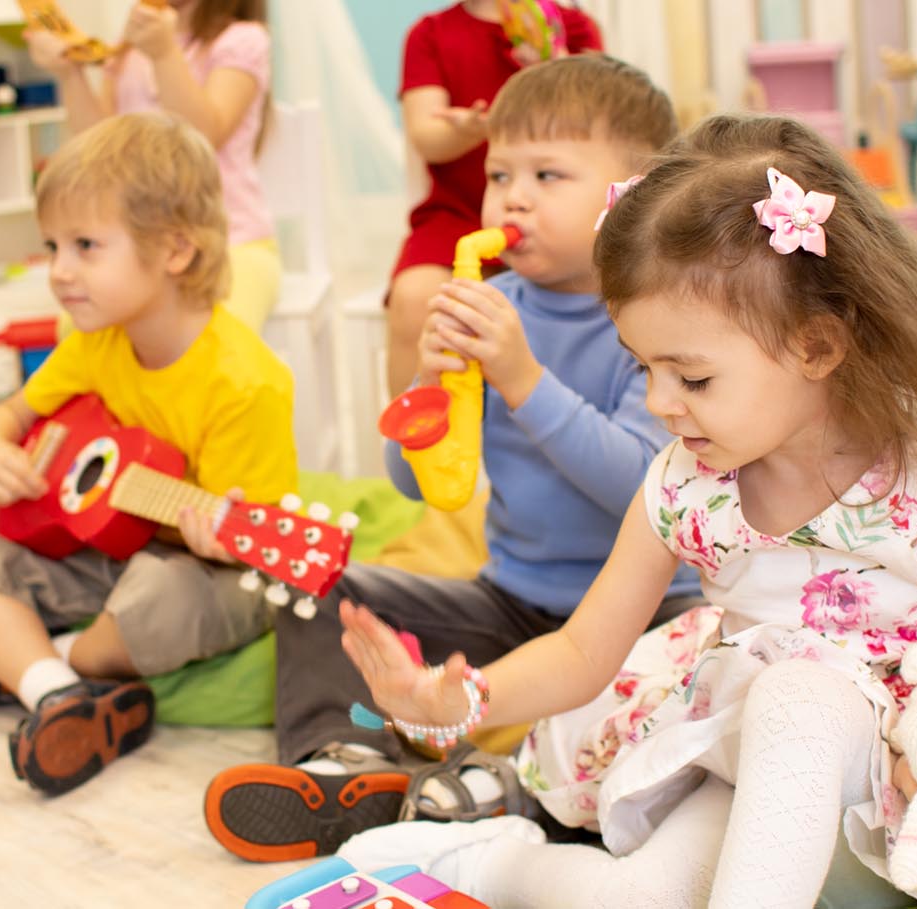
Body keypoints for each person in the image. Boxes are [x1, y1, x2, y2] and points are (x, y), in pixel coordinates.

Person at [336, 115, 917, 908]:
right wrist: (458, 701)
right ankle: (488, 860)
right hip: (766, 774)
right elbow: (585, 650)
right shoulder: (685, 483)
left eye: (692, 379)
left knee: (802, 694)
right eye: (644, 368)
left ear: (817, 347)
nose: (660, 404)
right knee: (634, 894)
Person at [203, 55, 695, 864]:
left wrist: (523, 379)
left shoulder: (651, 321)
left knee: (684, 695)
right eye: (500, 173)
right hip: (510, 603)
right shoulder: (492, 306)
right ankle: (342, 762)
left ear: (630, 195)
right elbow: (417, 484)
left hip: (644, 623)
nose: (514, 197)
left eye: (548, 173)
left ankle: (512, 787)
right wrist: (429, 392)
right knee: (322, 585)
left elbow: (641, 486)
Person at [0, 112, 299, 797]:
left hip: (208, 568)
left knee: (159, 594)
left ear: (176, 250)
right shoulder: (95, 339)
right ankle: (60, 693)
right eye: (53, 245)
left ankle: (31, 664)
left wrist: (211, 537)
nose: (59, 271)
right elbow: (11, 413)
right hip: (101, 550)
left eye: (86, 245)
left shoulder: (246, 382)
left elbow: (254, 547)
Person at [385, 0, 603, 394]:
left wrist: (553, 66)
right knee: (414, 296)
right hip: (455, 213)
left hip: (556, 210)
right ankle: (416, 427)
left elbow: (600, 128)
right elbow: (426, 137)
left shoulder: (572, 27)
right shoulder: (429, 35)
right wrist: (472, 128)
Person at [27, 0, 281, 330]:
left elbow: (202, 139)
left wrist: (164, 54)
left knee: (211, 335)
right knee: (78, 330)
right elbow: (99, 148)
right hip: (138, 250)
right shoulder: (131, 48)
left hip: (231, 243)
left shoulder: (242, 39)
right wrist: (69, 74)